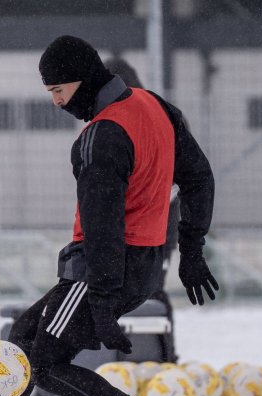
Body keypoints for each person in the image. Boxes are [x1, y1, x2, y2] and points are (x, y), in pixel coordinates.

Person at [0, 35, 219, 396]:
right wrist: (191, 251)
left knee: (43, 364)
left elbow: (102, 229)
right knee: (23, 334)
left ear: (84, 80)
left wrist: (100, 298)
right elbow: (200, 178)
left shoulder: (101, 137)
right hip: (141, 264)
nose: (57, 102)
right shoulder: (155, 107)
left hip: (102, 268)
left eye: (59, 90)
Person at [104, 57, 179, 362]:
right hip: (117, 229)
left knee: (151, 290)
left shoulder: (163, 118)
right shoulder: (108, 120)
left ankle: (164, 356)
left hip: (154, 230)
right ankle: (114, 358)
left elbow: (179, 178)